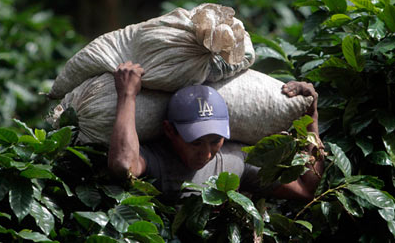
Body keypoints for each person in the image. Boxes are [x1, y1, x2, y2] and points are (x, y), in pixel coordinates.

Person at [108, 61, 324, 203]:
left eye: (215, 140)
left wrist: (311, 118)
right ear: (169, 131)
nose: (206, 153)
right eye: (195, 142)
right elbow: (123, 165)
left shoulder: (237, 158)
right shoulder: (157, 159)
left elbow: (306, 189)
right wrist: (127, 95)